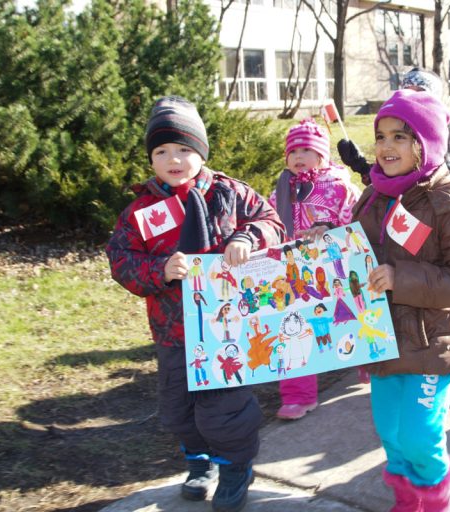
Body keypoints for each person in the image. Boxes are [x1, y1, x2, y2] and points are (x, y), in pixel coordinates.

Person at [106, 96, 285, 511]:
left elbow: (271, 221)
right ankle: (199, 461)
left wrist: (247, 237)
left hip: (227, 327)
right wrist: (160, 270)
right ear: (151, 157)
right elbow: (121, 259)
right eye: (162, 151)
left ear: (201, 152)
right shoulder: (141, 210)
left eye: (184, 149)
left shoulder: (229, 193)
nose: (174, 159)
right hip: (174, 332)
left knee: (224, 408)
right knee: (178, 407)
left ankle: (235, 467)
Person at [352, 89, 450, 510]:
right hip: (382, 337)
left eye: (400, 137)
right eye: (381, 136)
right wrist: (329, 241)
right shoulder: (375, 193)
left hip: (433, 340)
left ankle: (435, 495)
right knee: (390, 432)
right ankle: (408, 497)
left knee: (419, 433)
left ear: (426, 143)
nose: (386, 147)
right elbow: (358, 251)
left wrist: (400, 278)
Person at [269, 118, 360, 420]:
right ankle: (298, 396)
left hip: (336, 268)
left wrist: (333, 228)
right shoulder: (282, 187)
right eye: (292, 150)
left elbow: (358, 221)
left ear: (322, 154)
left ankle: (372, 365)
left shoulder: (339, 187)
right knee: (294, 329)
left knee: (351, 321)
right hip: (296, 273)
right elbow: (270, 221)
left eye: (306, 149)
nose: (297, 156)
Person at [337, 67, 450, 188]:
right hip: (398, 211)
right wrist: (361, 166)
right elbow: (387, 179)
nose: (412, 99)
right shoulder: (394, 126)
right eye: (408, 92)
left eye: (420, 92)